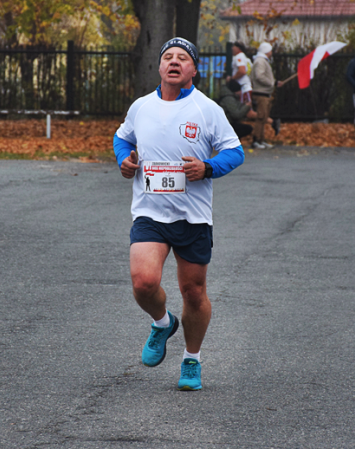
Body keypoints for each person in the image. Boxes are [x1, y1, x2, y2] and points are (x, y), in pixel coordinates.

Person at [113, 37, 245, 391]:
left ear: (194, 69)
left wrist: (208, 167)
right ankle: (161, 323)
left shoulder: (207, 110)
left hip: (192, 216)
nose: (174, 62)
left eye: (182, 58)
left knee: (193, 291)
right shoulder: (141, 107)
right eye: (168, 57)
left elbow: (235, 151)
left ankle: (191, 359)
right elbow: (122, 138)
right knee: (143, 282)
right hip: (150, 211)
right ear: (159, 67)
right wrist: (124, 160)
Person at [250, 42, 280, 149]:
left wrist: (274, 82)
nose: (271, 53)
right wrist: (271, 83)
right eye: (270, 50)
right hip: (261, 93)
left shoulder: (261, 61)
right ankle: (256, 140)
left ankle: (261, 139)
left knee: (263, 117)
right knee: (261, 117)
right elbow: (259, 76)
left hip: (264, 92)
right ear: (267, 51)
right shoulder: (261, 61)